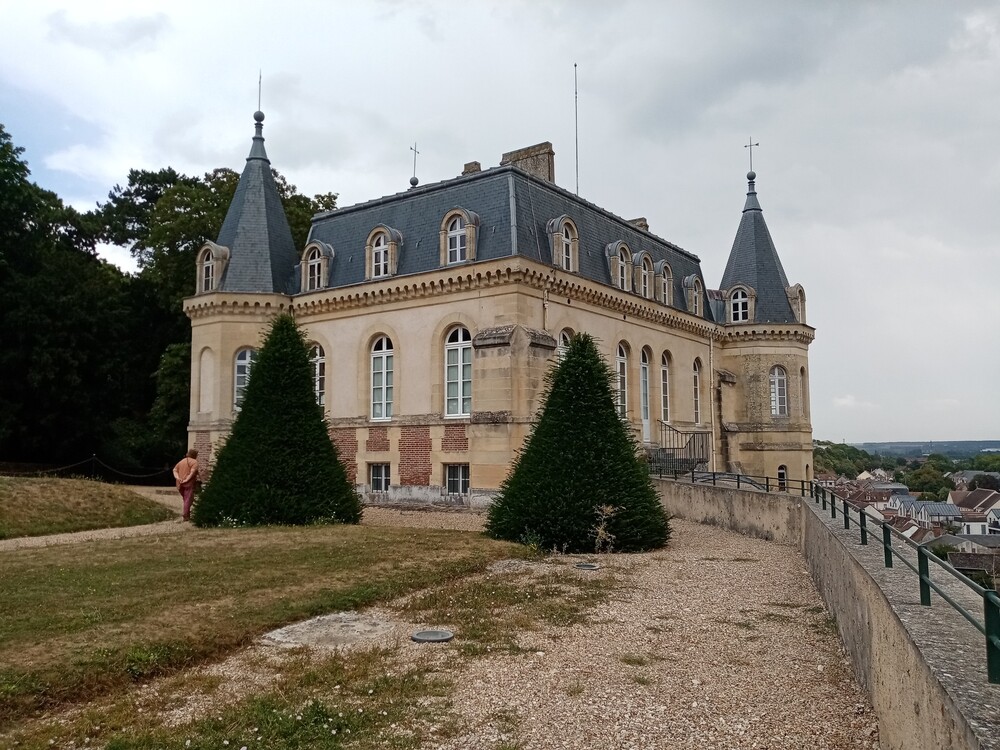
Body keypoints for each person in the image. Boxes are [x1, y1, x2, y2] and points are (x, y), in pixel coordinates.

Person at [172, 448, 200, 522]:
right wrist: (186, 480)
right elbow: (192, 472)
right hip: (188, 483)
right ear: (195, 455)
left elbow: (174, 470)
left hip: (179, 484)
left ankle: (187, 514)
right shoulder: (194, 462)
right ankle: (185, 516)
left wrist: (178, 478)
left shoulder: (181, 461)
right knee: (188, 499)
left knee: (186, 499)